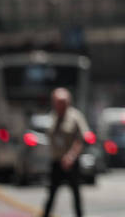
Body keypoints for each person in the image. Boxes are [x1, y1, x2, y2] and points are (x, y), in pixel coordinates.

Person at [42, 87, 90, 217]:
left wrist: (71, 156)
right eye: (57, 102)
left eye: (62, 102)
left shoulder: (75, 116)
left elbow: (80, 139)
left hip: (71, 162)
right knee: (51, 194)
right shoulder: (52, 116)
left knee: (76, 195)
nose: (59, 105)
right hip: (56, 161)